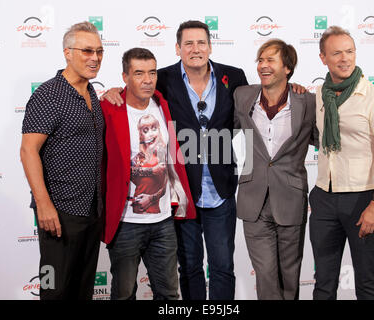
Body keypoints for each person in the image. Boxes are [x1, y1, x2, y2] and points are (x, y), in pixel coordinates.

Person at [102, 20, 248, 300]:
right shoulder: (164, 78)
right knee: (189, 267)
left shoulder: (234, 76)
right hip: (182, 193)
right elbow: (136, 93)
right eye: (189, 43)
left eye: (201, 42)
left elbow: (255, 106)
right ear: (178, 48)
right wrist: (112, 93)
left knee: (223, 267)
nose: (196, 49)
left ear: (210, 46)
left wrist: (296, 88)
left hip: (221, 191)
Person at [309, 26, 374, 300]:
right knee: (323, 283)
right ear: (323, 57)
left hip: (362, 200)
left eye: (350, 51)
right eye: (336, 53)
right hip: (324, 197)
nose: (345, 58)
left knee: (366, 281)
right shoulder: (319, 96)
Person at [100, 47, 196, 300]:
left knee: (168, 295)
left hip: (163, 221)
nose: (147, 80)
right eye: (139, 73)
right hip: (126, 223)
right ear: (125, 77)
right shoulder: (109, 109)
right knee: (123, 294)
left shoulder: (162, 104)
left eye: (152, 72)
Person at [20, 21, 104, 300]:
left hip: (91, 211)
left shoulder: (92, 92)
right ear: (67, 53)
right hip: (58, 214)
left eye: (99, 51)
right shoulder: (49, 94)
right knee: (54, 289)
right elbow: (28, 150)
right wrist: (43, 206)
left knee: (83, 290)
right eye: (87, 51)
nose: (95, 58)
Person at [233, 39, 317, 299]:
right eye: (260, 60)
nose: (263, 65)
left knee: (289, 274)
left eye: (270, 60)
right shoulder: (242, 95)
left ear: (288, 68)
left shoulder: (308, 102)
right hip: (252, 200)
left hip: (290, 198)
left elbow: (326, 141)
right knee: (266, 274)